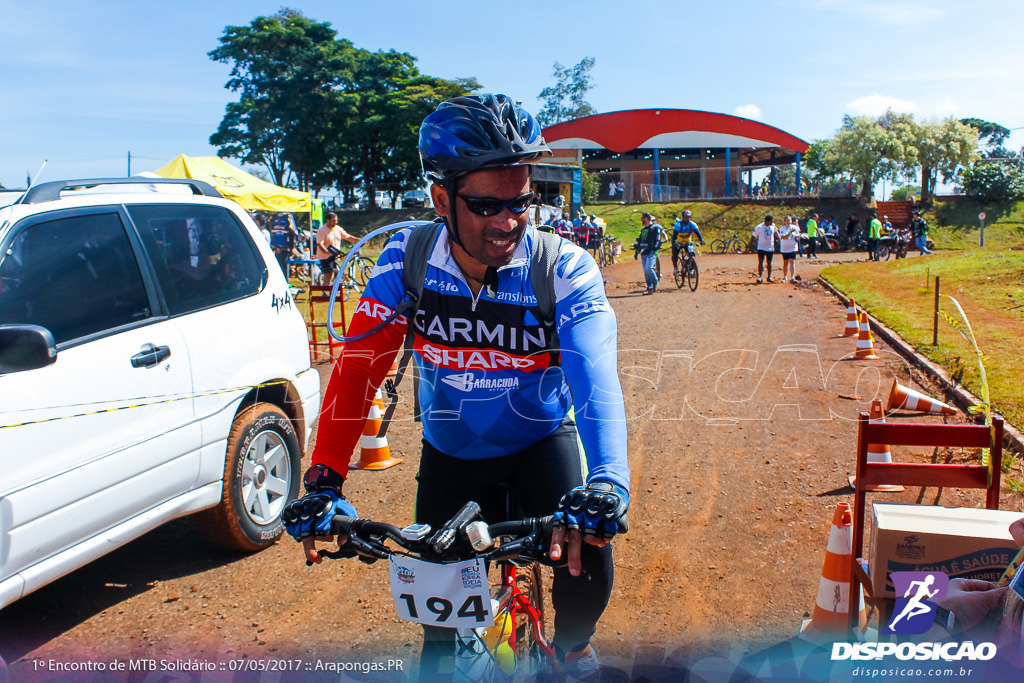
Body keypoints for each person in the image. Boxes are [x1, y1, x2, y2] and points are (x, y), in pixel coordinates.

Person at [282, 94, 630, 679]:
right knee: (440, 644)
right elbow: (358, 371)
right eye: (487, 204)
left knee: (587, 567)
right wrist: (324, 480)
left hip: (542, 440)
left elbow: (597, 383)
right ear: (441, 199)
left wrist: (608, 483)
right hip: (452, 455)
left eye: (523, 200)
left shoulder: (563, 268)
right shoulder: (406, 260)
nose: (510, 220)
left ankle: (573, 650)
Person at [315, 211, 359, 280]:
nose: (335, 222)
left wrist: (360, 240)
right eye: (333, 221)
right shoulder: (322, 231)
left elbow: (348, 237)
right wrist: (327, 252)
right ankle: (326, 288)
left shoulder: (338, 228)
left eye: (336, 220)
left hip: (335, 255)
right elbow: (320, 244)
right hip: (325, 256)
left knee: (333, 273)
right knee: (328, 273)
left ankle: (330, 288)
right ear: (328, 220)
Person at [634, 212, 663, 294]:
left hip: (651, 252)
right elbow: (640, 241)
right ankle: (649, 287)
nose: (641, 220)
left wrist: (655, 248)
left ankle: (655, 282)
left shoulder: (654, 228)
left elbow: (658, 239)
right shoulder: (643, 230)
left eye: (643, 218)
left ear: (646, 218)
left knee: (649, 268)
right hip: (644, 252)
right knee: (645, 270)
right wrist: (637, 251)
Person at [670, 209, 705, 274]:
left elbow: (698, 233)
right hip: (679, 242)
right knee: (675, 254)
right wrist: (675, 242)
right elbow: (674, 235)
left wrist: (701, 240)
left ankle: (690, 269)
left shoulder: (692, 224)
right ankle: (675, 268)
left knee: (692, 254)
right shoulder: (679, 224)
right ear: (683, 217)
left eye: (689, 217)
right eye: (686, 217)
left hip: (687, 243)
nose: (687, 219)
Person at [752, 214, 779, 284]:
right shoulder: (759, 227)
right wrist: (751, 246)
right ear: (767, 221)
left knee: (769, 263)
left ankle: (769, 277)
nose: (772, 223)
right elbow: (753, 236)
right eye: (771, 221)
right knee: (761, 262)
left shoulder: (773, 226)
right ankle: (760, 277)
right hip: (761, 247)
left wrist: (779, 239)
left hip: (770, 247)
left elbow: (776, 233)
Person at [778, 216, 799, 282]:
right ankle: (785, 277)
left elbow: (798, 236)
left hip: (793, 247)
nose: (788, 222)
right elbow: (783, 237)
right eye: (787, 220)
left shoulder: (795, 227)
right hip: (785, 248)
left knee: (792, 261)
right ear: (784, 222)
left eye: (789, 220)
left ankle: (792, 277)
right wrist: (790, 232)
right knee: (785, 262)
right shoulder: (782, 228)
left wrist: (797, 238)